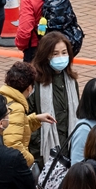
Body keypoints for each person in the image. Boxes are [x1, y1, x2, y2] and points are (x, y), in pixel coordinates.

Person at [27, 31, 81, 168]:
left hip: (69, 147)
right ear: (46, 56)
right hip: (43, 150)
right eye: (55, 53)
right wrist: (38, 140)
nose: (61, 57)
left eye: (64, 52)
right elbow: (26, 115)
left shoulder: (70, 80)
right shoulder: (34, 82)